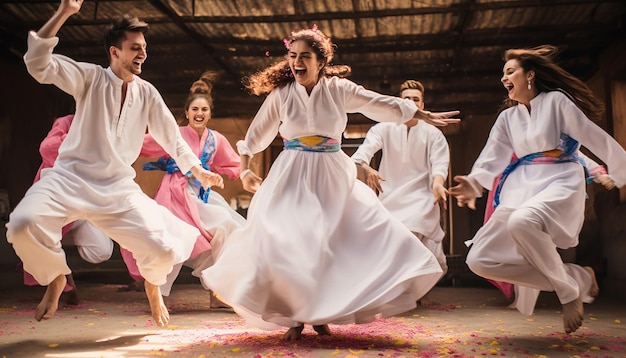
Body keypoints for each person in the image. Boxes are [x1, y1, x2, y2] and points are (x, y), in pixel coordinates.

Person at [200, 25, 460, 340]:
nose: (297, 62)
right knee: (290, 240)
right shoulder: (282, 95)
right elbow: (256, 135)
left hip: (331, 171)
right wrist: (245, 169)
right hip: (292, 173)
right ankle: (296, 318)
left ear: (321, 62)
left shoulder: (339, 89)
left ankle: (321, 314)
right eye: (293, 56)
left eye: (305, 56)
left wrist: (418, 114)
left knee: (332, 242)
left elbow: (379, 104)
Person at [6, 0, 223, 327]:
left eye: (145, 48)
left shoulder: (148, 93)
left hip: (117, 190)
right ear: (114, 52)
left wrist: (198, 170)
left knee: (163, 250)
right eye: (135, 47)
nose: (142, 53)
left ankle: (152, 285)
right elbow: (38, 62)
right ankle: (56, 276)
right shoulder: (90, 78)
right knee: (22, 224)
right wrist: (65, 11)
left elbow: (172, 139)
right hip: (67, 180)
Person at [450, 45, 626, 334]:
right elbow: (492, 156)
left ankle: (568, 294)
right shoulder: (508, 118)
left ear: (529, 74)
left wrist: (617, 172)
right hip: (522, 186)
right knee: (479, 260)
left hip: (560, 180)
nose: (504, 78)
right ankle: (578, 280)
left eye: (510, 71)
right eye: (502, 74)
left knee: (523, 221)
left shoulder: (556, 101)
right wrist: (473, 182)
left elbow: (590, 136)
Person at [120, 72, 245, 302]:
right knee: (171, 240)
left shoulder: (216, 139)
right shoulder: (174, 134)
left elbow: (234, 165)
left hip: (202, 196)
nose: (199, 114)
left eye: (204, 110)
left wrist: (227, 174)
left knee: (227, 229)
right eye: (195, 110)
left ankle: (216, 294)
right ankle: (156, 293)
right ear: (186, 113)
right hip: (175, 194)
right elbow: (142, 144)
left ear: (210, 113)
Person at [351, 79, 450, 306]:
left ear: (422, 104)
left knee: (414, 240)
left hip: (422, 198)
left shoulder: (433, 133)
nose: (411, 102)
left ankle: (414, 292)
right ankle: (400, 294)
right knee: (395, 243)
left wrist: (438, 183)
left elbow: (440, 164)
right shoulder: (383, 127)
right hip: (390, 196)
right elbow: (361, 155)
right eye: (406, 99)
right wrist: (367, 169)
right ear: (398, 103)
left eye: (415, 99)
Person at [483, 152, 613, 308]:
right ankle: (578, 278)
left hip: (537, 189)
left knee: (525, 246)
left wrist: (598, 172)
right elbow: (493, 153)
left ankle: (528, 298)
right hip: (511, 187)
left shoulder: (544, 135)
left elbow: (571, 148)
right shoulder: (509, 133)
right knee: (504, 251)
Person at [21, 114, 114, 304]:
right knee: (39, 235)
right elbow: (47, 148)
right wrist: (80, 140)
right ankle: (58, 265)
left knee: (101, 251)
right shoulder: (66, 122)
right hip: (60, 203)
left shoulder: (107, 125)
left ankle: (56, 245)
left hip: (85, 208)